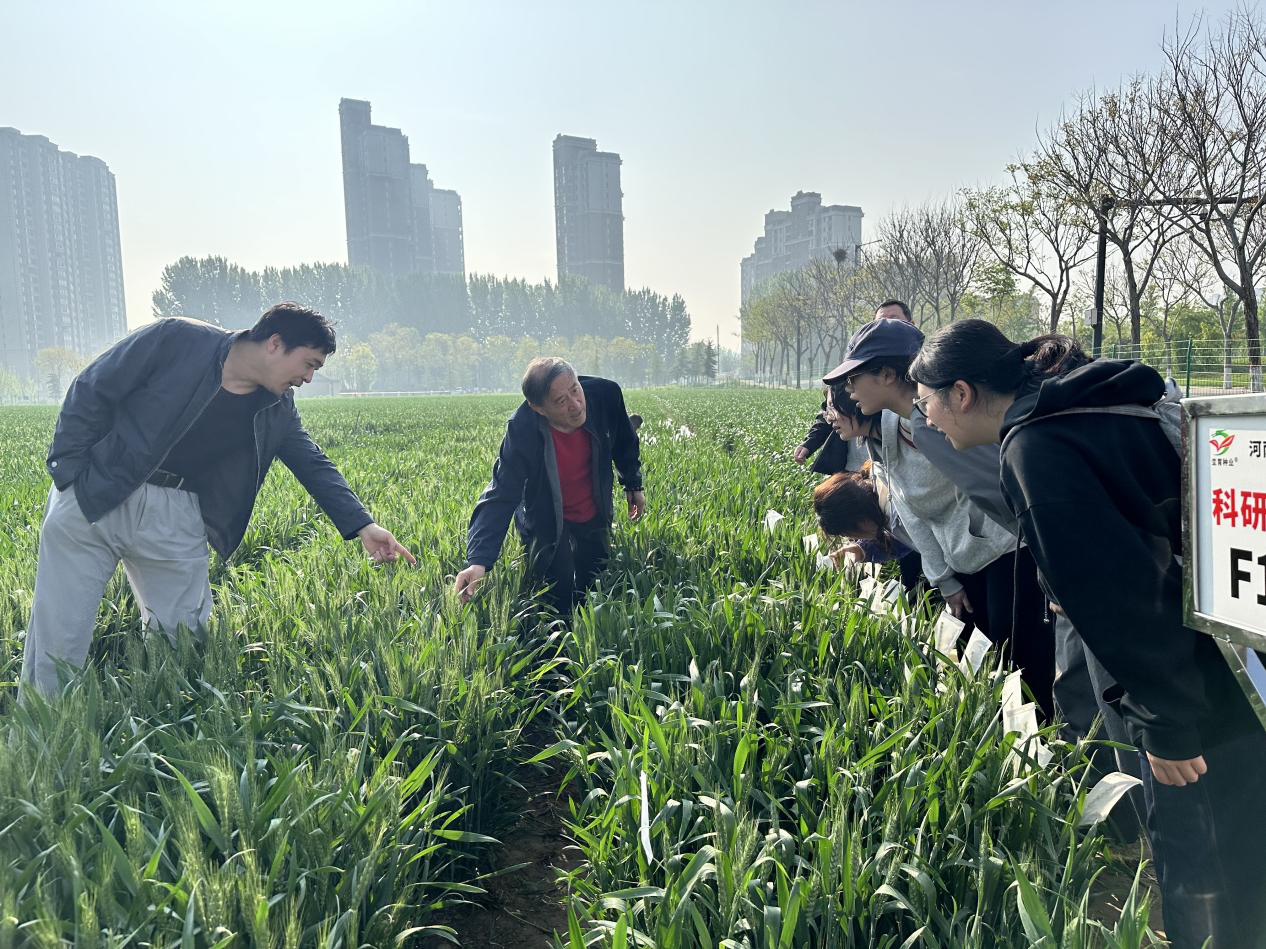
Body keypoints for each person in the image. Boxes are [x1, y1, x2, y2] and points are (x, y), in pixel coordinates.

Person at [909, 318, 1266, 947]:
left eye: (927, 402)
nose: (927, 419)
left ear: (961, 393)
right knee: (1247, 845)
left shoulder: (1035, 448)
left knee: (1206, 867)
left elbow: (1119, 592)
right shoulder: (1096, 400)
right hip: (1233, 648)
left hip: (1188, 692)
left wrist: (1164, 722)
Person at [23, 305, 416, 696]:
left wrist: (363, 525)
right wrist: (69, 474)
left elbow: (312, 462)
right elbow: (94, 386)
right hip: (99, 492)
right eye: (309, 363)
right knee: (59, 634)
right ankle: (41, 727)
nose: (309, 378)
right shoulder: (177, 338)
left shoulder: (277, 406)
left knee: (183, 643)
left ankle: (160, 724)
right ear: (275, 343)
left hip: (176, 514)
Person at [823, 318, 1055, 719]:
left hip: (1008, 549)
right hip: (967, 555)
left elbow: (1002, 486)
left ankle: (1044, 737)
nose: (849, 390)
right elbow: (913, 511)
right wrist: (944, 577)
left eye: (854, 378)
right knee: (998, 656)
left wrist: (1049, 558)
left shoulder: (939, 424)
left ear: (887, 374)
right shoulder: (893, 431)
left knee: (1023, 657)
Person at [455, 358, 644, 615]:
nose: (576, 405)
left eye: (575, 390)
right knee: (556, 593)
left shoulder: (605, 395)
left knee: (595, 584)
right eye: (561, 401)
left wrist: (633, 483)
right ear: (539, 408)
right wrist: (478, 561)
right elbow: (501, 494)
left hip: (593, 509)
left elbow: (624, 439)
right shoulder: (522, 429)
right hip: (545, 517)